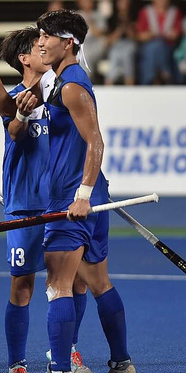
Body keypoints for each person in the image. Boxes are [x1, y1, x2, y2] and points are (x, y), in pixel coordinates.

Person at [0, 29, 91, 373]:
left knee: (74, 282)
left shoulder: (62, 94)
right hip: (24, 205)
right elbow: (15, 130)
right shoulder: (14, 99)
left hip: (60, 203)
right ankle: (17, 363)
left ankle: (65, 352)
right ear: (25, 59)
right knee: (22, 287)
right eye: (39, 48)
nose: (45, 49)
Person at [37, 9, 135, 373]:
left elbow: (96, 143)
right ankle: (122, 362)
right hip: (92, 195)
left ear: (68, 43)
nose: (41, 42)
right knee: (98, 281)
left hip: (73, 196)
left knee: (58, 285)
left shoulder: (72, 84)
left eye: (46, 36)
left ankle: (60, 367)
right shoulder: (63, 80)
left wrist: (82, 194)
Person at [136, 0, 182, 84]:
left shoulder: (175, 12)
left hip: (169, 47)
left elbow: (176, 34)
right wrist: (150, 34)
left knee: (159, 47)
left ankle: (158, 78)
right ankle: (159, 76)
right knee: (155, 47)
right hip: (149, 48)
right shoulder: (145, 12)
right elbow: (140, 36)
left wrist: (170, 34)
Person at [104, 0, 137, 85]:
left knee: (127, 55)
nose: (124, 4)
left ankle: (129, 85)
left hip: (130, 44)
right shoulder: (111, 18)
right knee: (114, 54)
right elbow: (108, 41)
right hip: (116, 45)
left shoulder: (134, 17)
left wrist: (127, 26)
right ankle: (109, 84)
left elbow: (136, 38)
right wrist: (119, 31)